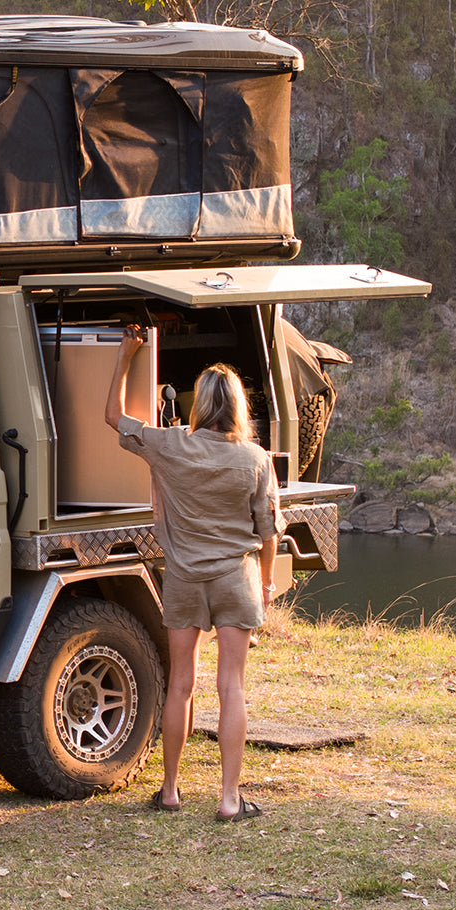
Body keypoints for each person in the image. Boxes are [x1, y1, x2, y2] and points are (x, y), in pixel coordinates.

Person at [104, 325, 284, 821]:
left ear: (198, 403)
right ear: (240, 408)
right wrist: (266, 583)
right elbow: (268, 531)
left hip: (184, 578)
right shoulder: (255, 459)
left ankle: (170, 791)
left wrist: (126, 354)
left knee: (181, 683)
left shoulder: (169, 445)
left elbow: (113, 418)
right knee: (232, 688)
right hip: (236, 580)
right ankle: (228, 799)